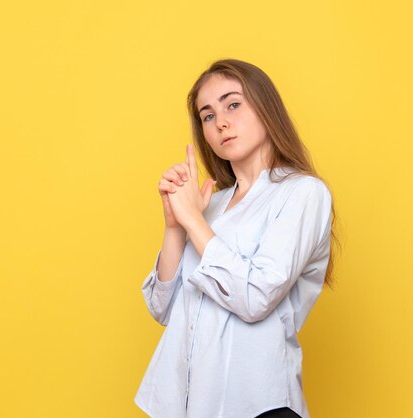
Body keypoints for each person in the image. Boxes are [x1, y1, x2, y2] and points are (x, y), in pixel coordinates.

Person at [134, 59, 339, 418]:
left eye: (233, 104)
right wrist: (174, 226)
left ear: (265, 107)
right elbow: (164, 309)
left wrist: (194, 223)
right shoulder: (210, 205)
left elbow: (256, 297)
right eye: (208, 115)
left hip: (258, 403)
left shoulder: (303, 193)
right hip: (192, 405)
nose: (221, 122)